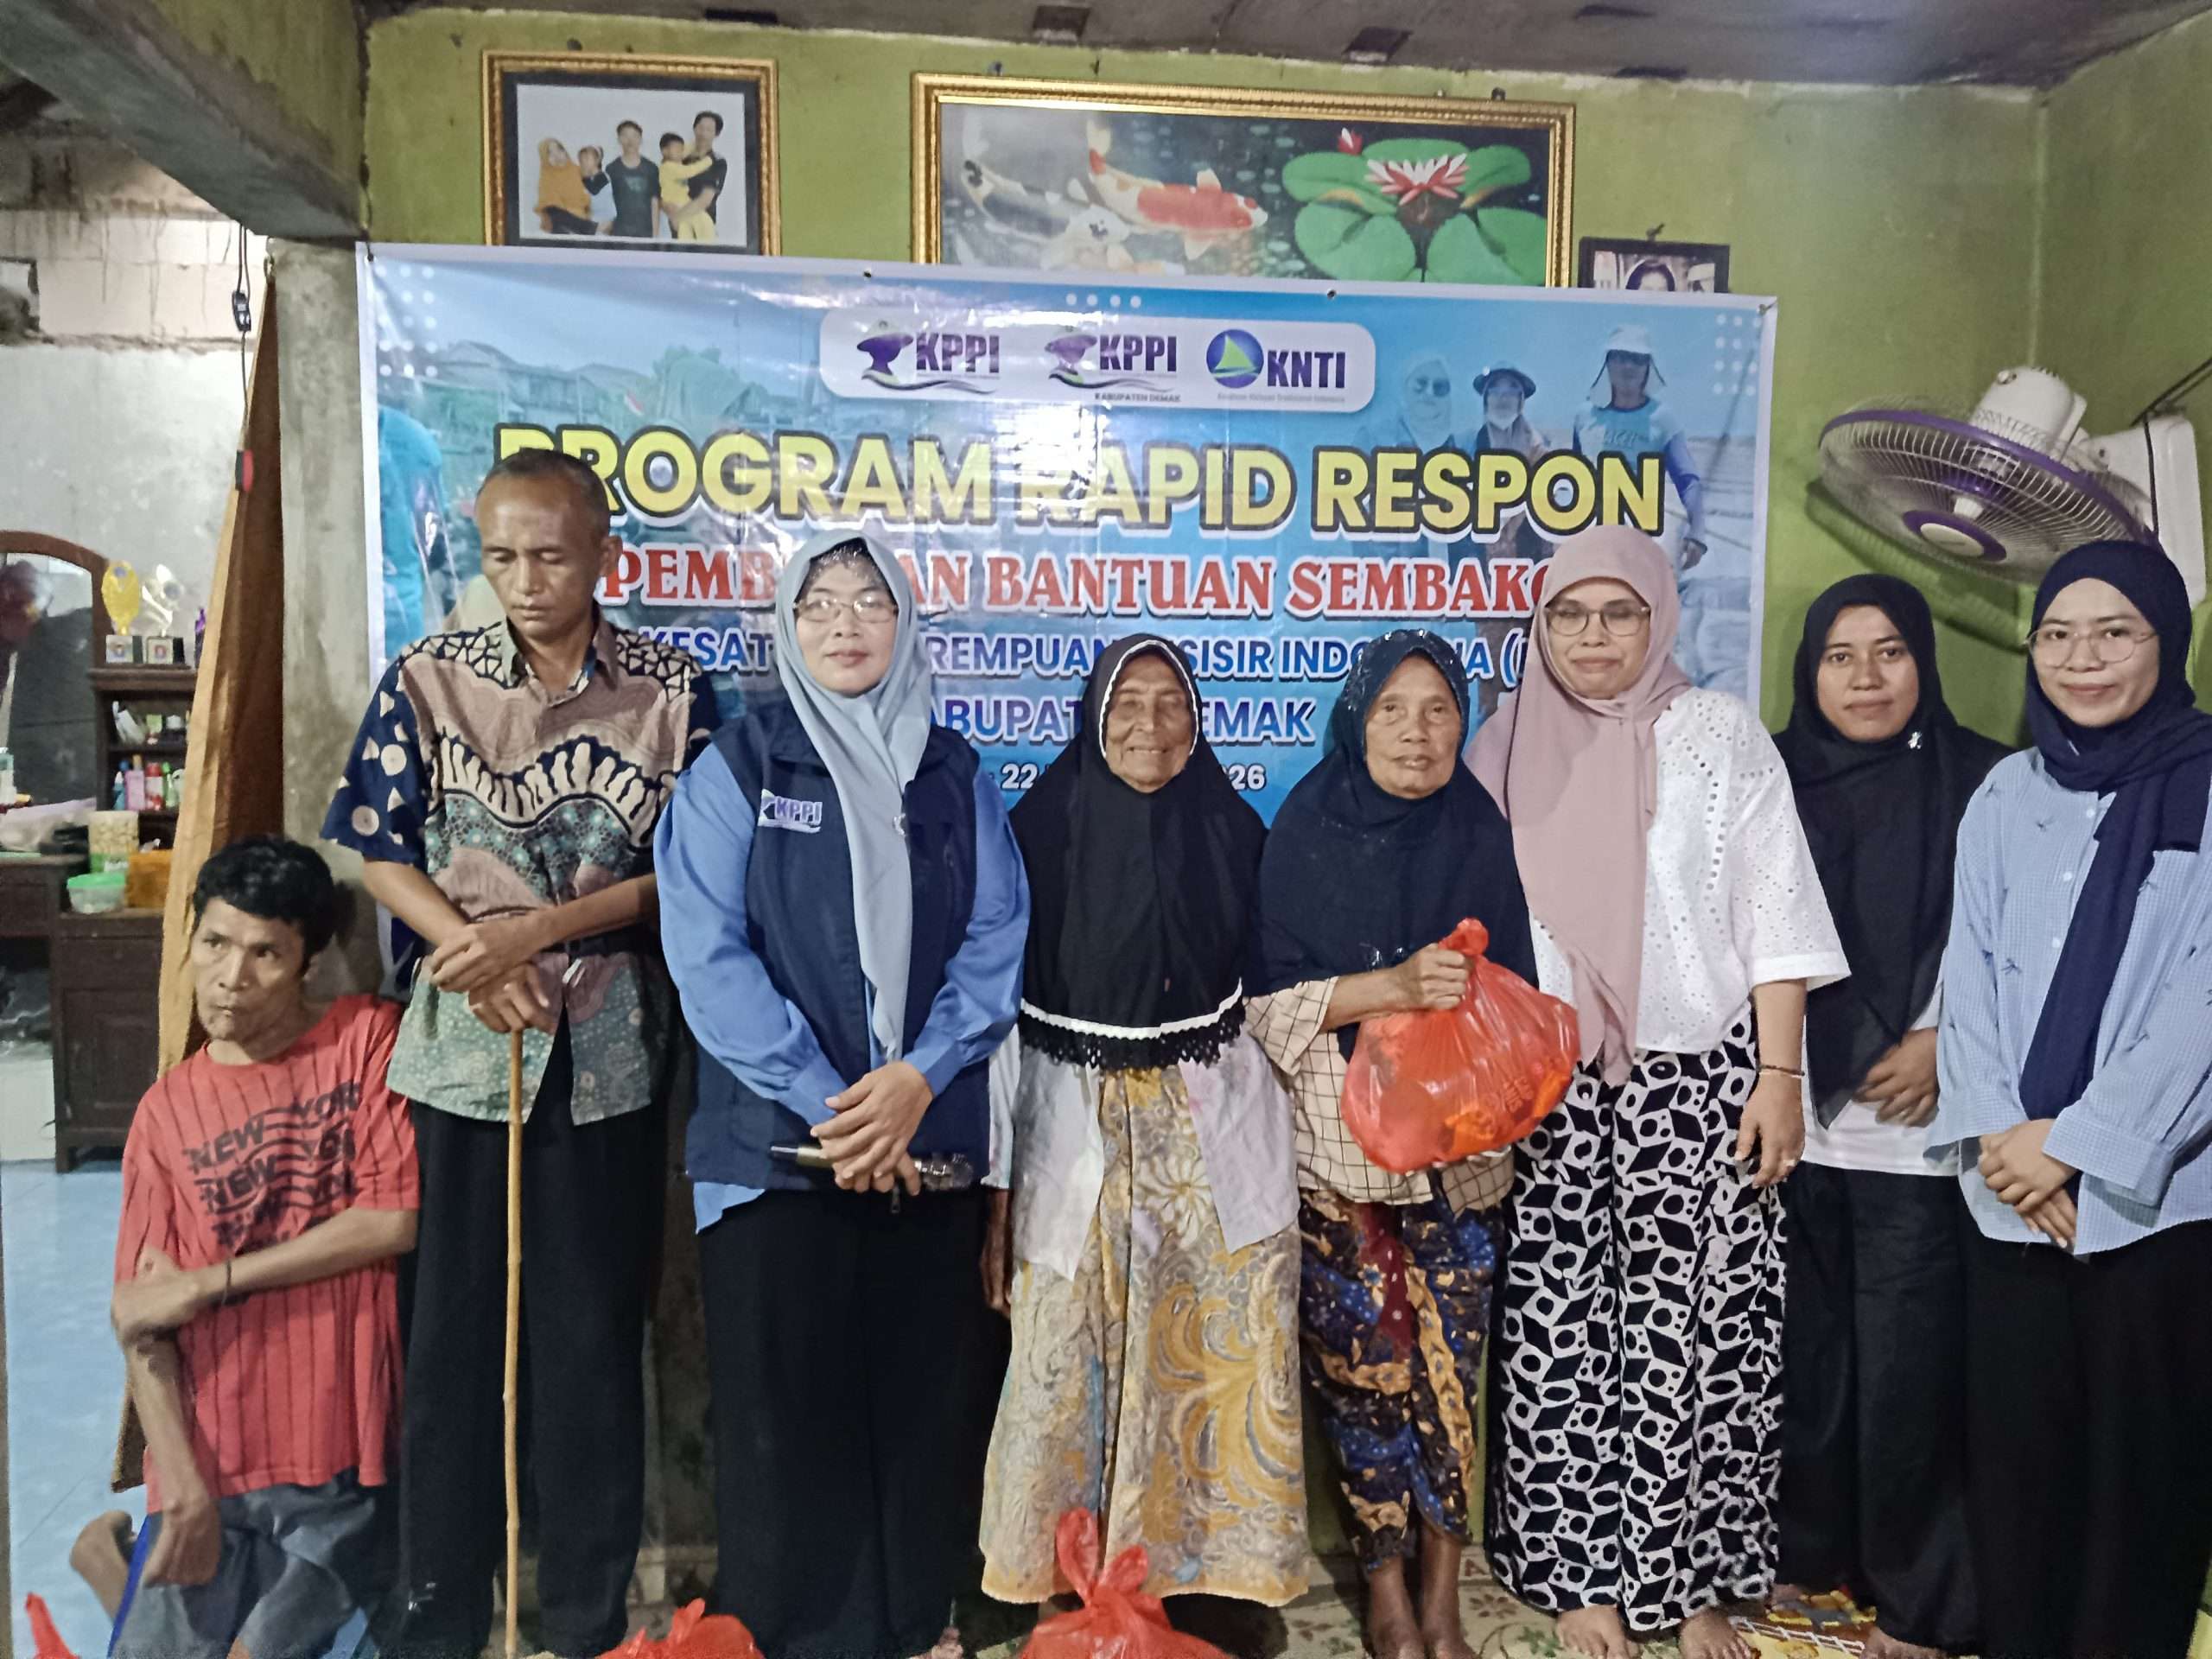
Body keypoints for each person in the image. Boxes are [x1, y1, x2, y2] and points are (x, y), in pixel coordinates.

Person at [324, 448, 713, 1659]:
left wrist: (539, 932)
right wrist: (473, 951)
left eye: (551, 555)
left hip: (606, 1051)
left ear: (603, 554)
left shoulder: (669, 691)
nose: (527, 580)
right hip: (464, 1048)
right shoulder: (427, 680)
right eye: (502, 557)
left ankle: (586, 1618)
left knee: (590, 1341)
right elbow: (375, 847)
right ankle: (442, 1614)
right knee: (454, 1342)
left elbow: (693, 873)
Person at [1472, 525, 1846, 1659]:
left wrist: (1780, 1078)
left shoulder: (1719, 735)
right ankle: (1580, 1577)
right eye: (1569, 614)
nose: (1593, 636)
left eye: (1619, 612)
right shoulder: (1501, 746)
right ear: (1539, 625)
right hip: (1551, 1091)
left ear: (1657, 618)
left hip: (1703, 1084)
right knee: (1561, 1331)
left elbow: (1776, 916)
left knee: (1701, 1335)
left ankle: (1687, 1583)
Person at [655, 531, 1028, 1659]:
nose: (846, 623)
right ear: (787, 625)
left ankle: (914, 1622)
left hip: (927, 1145)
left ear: (905, 623)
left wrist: (917, 1078)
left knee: (922, 1405)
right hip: (776, 1156)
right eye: (819, 603)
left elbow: (996, 940)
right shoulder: (740, 768)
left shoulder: (954, 774)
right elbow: (708, 959)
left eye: (871, 601)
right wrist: (838, 1109)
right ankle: (797, 1636)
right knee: (784, 1416)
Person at [978, 636, 1306, 1611]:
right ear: (1092, 718)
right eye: (1127, 704)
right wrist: (996, 1193)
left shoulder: (1236, 835)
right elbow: (998, 1021)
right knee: (1062, 1363)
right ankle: (1066, 1587)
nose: (1149, 726)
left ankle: (1207, 1585)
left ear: (1198, 723)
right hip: (1069, 1136)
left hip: (1214, 1145)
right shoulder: (1036, 838)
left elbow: (1274, 999)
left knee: (1212, 1367)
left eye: (1171, 705)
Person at [1929, 540, 2212, 1659]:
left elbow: (2203, 1000)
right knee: (2018, 1477)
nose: (2080, 658)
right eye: (2056, 634)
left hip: (2155, 1212)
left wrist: (2082, 1146)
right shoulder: (2008, 791)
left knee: (2140, 1488)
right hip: (2012, 1206)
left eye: (2113, 633)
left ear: (2165, 642)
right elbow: (1968, 974)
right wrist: (2007, 1143)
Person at [1247, 629, 1535, 1659]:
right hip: (1341, 1160)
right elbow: (1263, 1008)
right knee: (1360, 1376)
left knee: (1452, 1379)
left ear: (1463, 723)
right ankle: (1385, 1591)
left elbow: (1518, 992)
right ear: (1357, 721)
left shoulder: (1479, 830)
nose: (1417, 733)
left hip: (1459, 1162)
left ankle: (1442, 1593)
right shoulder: (1304, 830)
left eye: (1438, 710)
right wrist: (1392, 988)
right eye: (1392, 711)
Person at [107, 836, 418, 1659]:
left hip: (340, 1467)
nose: (230, 977)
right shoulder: (165, 1112)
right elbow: (140, 1319)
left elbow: (392, 1217)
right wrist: (180, 1489)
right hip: (209, 1463)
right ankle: (108, 1557)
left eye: (264, 954)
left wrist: (209, 1281)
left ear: (308, 963)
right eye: (215, 943)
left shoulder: (365, 1043)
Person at [1771, 576, 2005, 1659]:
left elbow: (2018, 939)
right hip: (1791, 1119)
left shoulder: (1985, 780)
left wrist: (1945, 1041)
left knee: (1909, 1374)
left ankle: (1919, 1601)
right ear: (1809, 670)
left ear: (1923, 660)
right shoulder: (1774, 776)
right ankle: (1810, 1556)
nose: (1865, 679)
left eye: (1889, 652)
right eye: (1839, 656)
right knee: (1806, 1360)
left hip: (1918, 1128)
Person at [1571, 325, 1706, 570]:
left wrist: (1697, 533)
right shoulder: (1584, 416)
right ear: (1608, 363)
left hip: (1642, 538)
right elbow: (1571, 475)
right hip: (1591, 535)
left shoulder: (1663, 419)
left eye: (1637, 359)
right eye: (1621, 357)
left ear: (1648, 367)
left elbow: (1688, 481)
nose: (1628, 367)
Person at [665, 110, 728, 243]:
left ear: (716, 134)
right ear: (694, 129)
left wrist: (678, 217)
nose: (703, 133)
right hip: (677, 226)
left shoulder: (717, 162)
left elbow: (705, 199)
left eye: (709, 130)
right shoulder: (681, 158)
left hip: (701, 228)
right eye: (700, 128)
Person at [658, 131, 719, 243]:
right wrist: (709, 160)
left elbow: (687, 149)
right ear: (664, 151)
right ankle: (709, 245)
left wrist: (697, 141)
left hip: (683, 203)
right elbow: (690, 171)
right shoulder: (667, 167)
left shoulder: (677, 163)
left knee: (686, 229)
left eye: (681, 149)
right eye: (676, 149)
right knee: (703, 221)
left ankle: (692, 246)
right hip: (676, 204)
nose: (680, 151)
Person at [603, 120, 660, 238]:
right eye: (625, 136)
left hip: (645, 232)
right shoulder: (612, 169)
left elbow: (655, 202)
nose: (630, 141)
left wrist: (655, 236)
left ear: (640, 139)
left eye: (634, 136)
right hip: (619, 232)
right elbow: (607, 202)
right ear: (619, 139)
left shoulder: (651, 168)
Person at [534, 137, 596, 236]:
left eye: (559, 149)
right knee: (553, 212)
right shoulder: (546, 178)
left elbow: (592, 199)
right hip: (561, 222)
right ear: (545, 158)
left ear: (565, 151)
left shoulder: (578, 170)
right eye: (550, 153)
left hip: (584, 219)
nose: (556, 154)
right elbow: (551, 208)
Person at [579, 145, 616, 231]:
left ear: (597, 160)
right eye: (581, 160)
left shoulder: (603, 176)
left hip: (605, 220)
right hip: (592, 219)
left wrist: (584, 177)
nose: (584, 162)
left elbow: (594, 190)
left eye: (587, 159)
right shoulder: (585, 179)